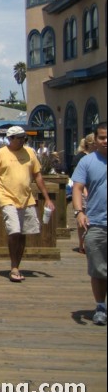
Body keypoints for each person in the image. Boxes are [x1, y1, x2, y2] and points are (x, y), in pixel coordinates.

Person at [0, 126, 55, 283]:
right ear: (10, 139)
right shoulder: (0, 154)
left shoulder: (30, 152)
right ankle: (13, 267)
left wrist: (48, 198)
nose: (23, 140)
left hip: (26, 198)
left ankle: (17, 264)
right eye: (19, 137)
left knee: (23, 233)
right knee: (14, 231)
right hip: (7, 197)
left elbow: (38, 176)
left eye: (24, 137)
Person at [71, 122, 107, 326]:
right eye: (102, 137)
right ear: (95, 139)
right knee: (98, 269)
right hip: (97, 223)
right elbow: (77, 188)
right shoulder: (87, 162)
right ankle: (101, 306)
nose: (106, 141)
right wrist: (79, 212)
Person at [71, 133, 96, 253]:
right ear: (90, 144)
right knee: (82, 218)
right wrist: (84, 190)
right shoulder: (81, 158)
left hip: (96, 193)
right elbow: (77, 180)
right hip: (83, 192)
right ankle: (82, 244)